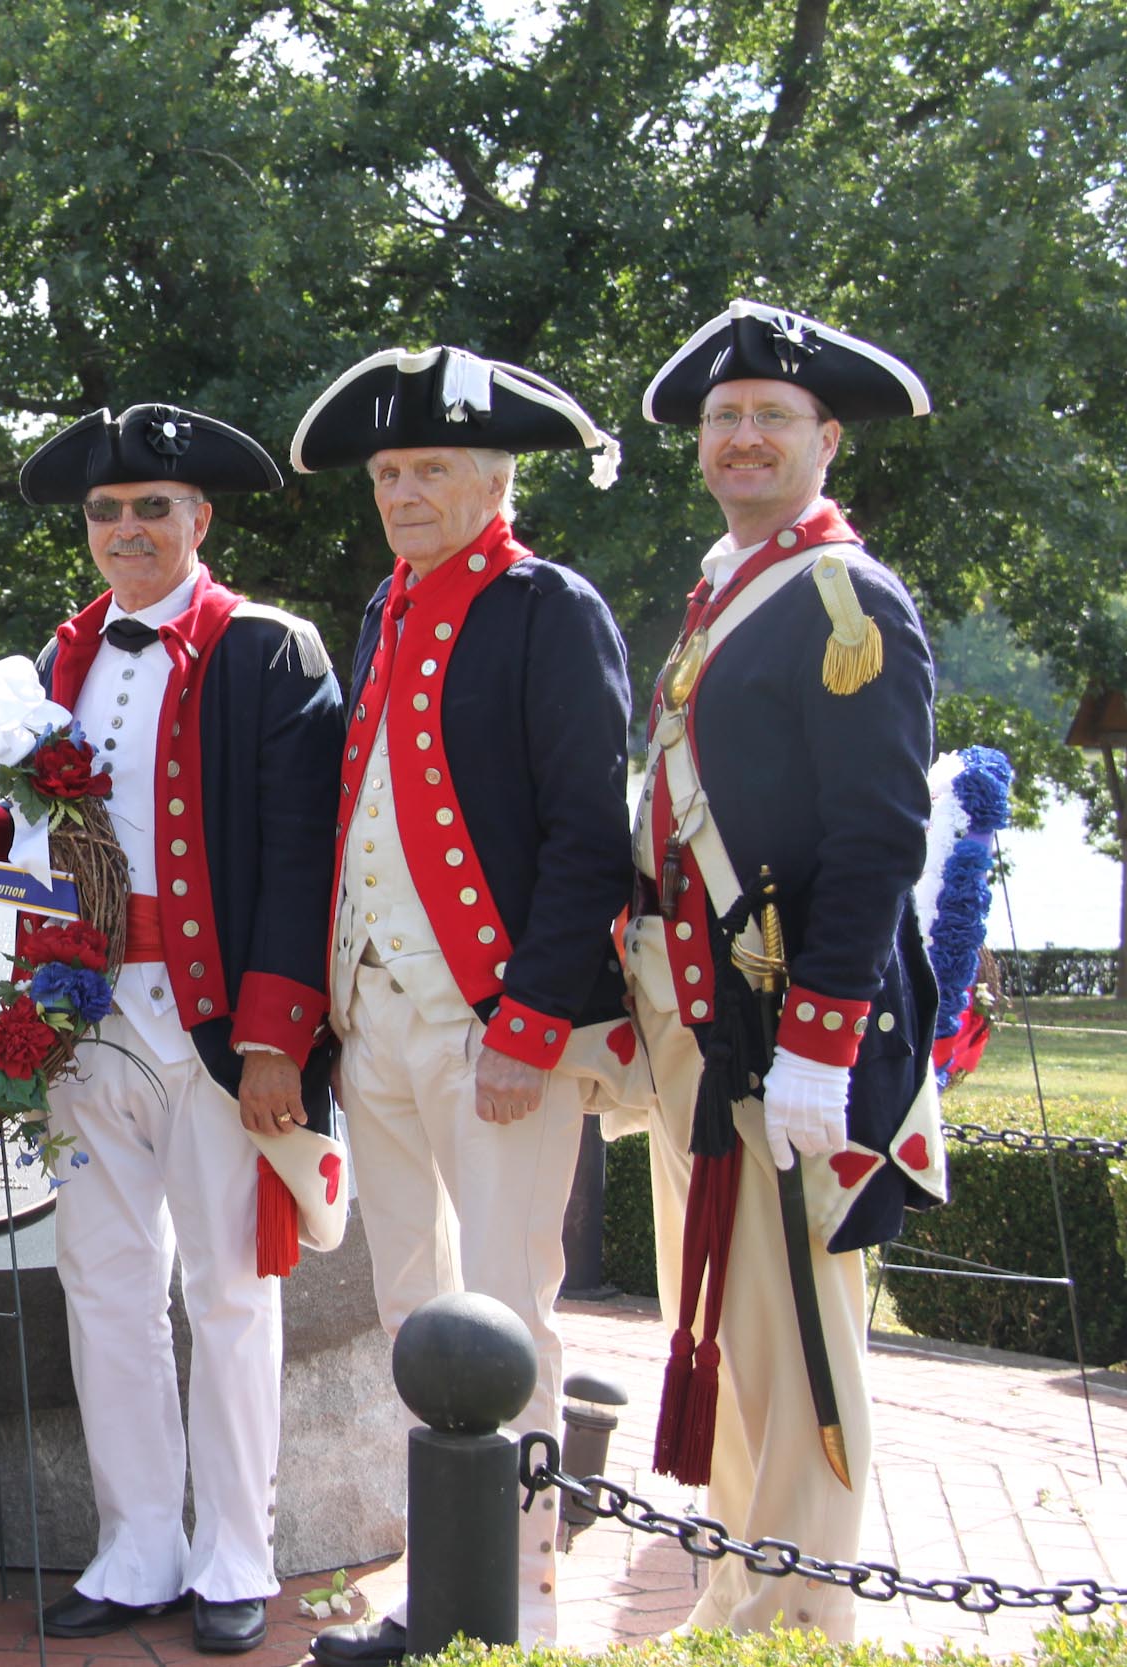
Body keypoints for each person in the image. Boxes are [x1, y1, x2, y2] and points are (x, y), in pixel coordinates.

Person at [0, 405, 345, 1654]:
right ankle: (136, 1544)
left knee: (225, 1290)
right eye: (106, 512)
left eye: (151, 507)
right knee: (102, 1287)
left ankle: (234, 1554)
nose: (125, 530)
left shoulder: (268, 648)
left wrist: (276, 1033)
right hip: (80, 1015)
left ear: (198, 519)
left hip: (212, 1026)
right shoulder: (53, 660)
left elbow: (298, 851)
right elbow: (52, 834)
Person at [285, 349, 634, 1663]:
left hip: (495, 1023)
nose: (406, 489)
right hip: (374, 1014)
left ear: (494, 478)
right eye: (389, 470)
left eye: (433, 467)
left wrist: (529, 1021)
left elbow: (587, 835)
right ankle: (433, 1581)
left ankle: (518, 1599)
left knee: (505, 1305)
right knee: (404, 1303)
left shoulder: (550, 605)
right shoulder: (384, 606)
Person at [626, 299, 945, 1639]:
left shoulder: (841, 596)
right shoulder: (732, 589)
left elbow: (879, 833)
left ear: (826, 439)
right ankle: (742, 1583)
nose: (741, 437)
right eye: (721, 419)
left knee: (797, 1325)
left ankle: (804, 1611)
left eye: (769, 417)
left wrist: (822, 1034)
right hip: (704, 1018)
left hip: (780, 1028)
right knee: (736, 1323)